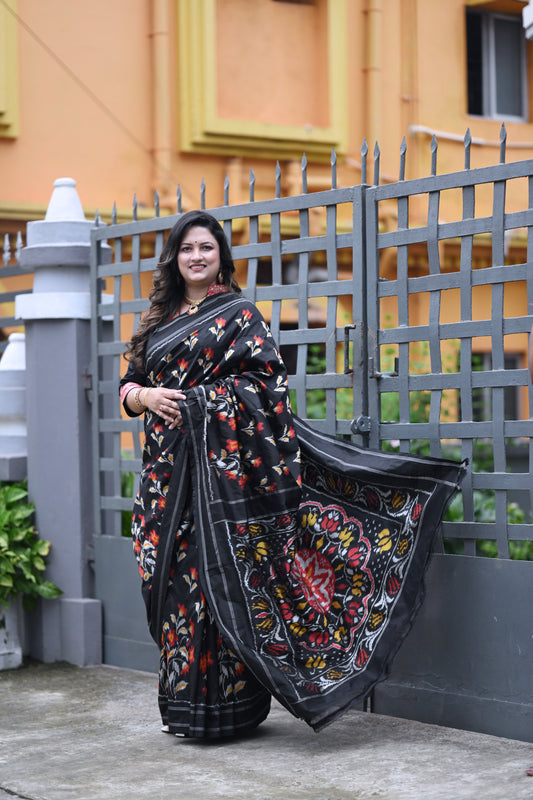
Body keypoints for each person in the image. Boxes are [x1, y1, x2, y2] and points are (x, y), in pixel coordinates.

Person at [120, 209, 465, 739]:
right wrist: (142, 395)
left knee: (216, 588)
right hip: (167, 475)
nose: (196, 257)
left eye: (206, 248)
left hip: (222, 476)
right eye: (187, 248)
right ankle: (182, 709)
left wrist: (198, 403)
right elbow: (129, 385)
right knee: (170, 586)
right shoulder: (157, 320)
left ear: (220, 258)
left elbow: (267, 386)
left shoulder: (238, 315)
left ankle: (228, 713)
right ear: (174, 256)